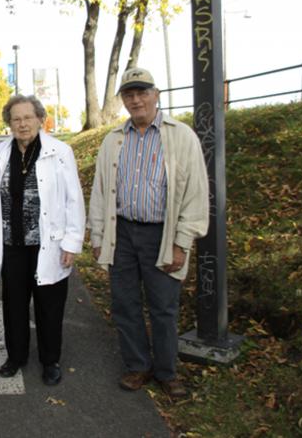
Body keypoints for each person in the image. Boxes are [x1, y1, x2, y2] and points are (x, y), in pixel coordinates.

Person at [88, 67, 209, 398]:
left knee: (163, 307)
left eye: (142, 93)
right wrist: (98, 237)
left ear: (156, 95)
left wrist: (182, 242)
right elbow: (100, 192)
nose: (136, 100)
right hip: (122, 234)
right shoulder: (113, 140)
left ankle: (168, 371)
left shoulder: (181, 137)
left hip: (162, 234)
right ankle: (138, 365)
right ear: (123, 101)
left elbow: (196, 195)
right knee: (125, 303)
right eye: (129, 94)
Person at [0, 95, 85, 386]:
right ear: (9, 124)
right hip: (11, 245)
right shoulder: (0, 153)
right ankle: (16, 357)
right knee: (14, 305)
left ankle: (50, 361)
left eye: (27, 117)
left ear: (40, 119)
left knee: (49, 305)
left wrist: (72, 243)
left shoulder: (60, 152)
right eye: (16, 119)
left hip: (48, 244)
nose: (22, 123)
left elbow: (73, 200)